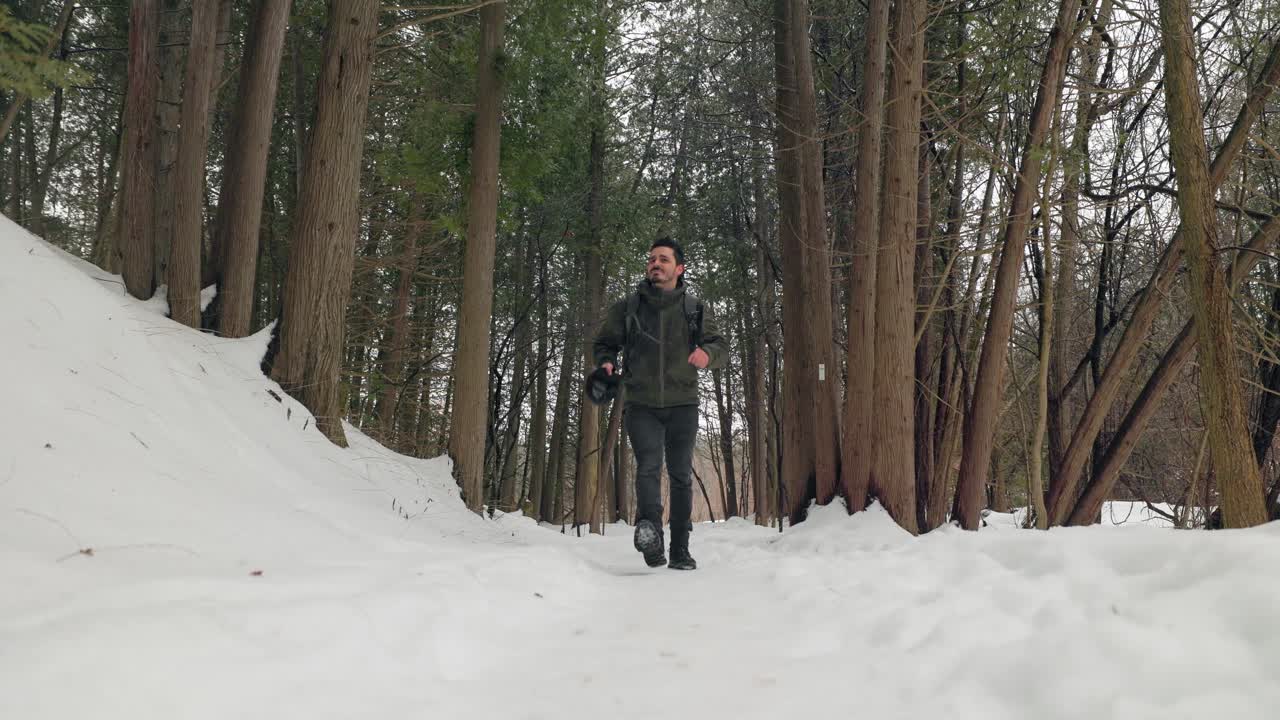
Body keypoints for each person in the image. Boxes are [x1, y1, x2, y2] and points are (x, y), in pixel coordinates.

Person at [591, 237, 728, 570]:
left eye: (663, 259)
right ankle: (650, 533)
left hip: (683, 403)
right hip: (641, 402)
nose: (655, 264)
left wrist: (707, 354)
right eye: (652, 259)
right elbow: (605, 343)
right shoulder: (629, 307)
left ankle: (680, 550)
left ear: (679, 269)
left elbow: (719, 345)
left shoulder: (694, 308)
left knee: (681, 475)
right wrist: (606, 363)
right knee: (648, 466)